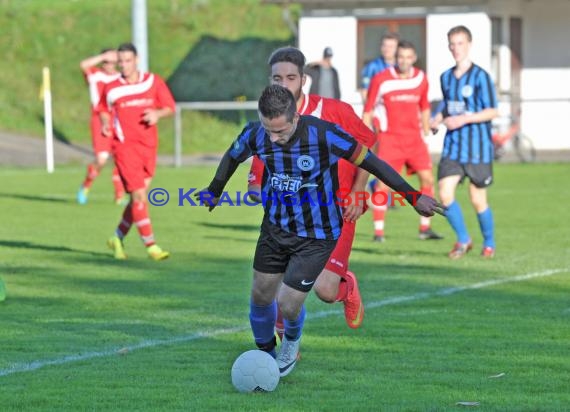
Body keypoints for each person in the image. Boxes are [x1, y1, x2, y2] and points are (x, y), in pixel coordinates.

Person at [196, 84, 445, 377]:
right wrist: (214, 190)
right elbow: (233, 156)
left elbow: (372, 162)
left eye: (280, 132)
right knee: (261, 296)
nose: (273, 139)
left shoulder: (323, 133)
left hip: (317, 235)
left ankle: (290, 343)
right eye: (268, 130)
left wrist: (413, 196)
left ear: (296, 118)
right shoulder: (256, 133)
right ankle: (265, 356)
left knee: (287, 305)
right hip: (275, 229)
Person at [248, 46, 376, 331]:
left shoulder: (334, 111)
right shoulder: (269, 117)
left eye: (290, 77)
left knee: (325, 291)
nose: (283, 84)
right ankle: (286, 349)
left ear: (303, 79)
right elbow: (260, 161)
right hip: (290, 218)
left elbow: (368, 145)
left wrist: (358, 190)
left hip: (338, 210)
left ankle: (346, 285)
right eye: (276, 79)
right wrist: (257, 187)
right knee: (279, 287)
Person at [98, 42, 175, 261]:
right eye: (120, 61)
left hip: (148, 147)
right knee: (140, 196)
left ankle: (116, 237)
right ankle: (151, 246)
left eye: (127, 60)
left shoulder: (153, 81)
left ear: (136, 60)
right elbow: (102, 109)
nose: (123, 65)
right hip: (124, 147)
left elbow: (170, 106)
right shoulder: (111, 87)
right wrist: (105, 123)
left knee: (137, 200)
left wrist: (157, 114)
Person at [363, 40, 443, 243]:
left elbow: (424, 106)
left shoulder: (421, 79)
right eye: (400, 57)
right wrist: (363, 135)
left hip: (415, 140)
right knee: (383, 186)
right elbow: (369, 109)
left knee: (428, 180)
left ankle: (425, 228)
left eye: (408, 57)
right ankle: (378, 232)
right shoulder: (380, 79)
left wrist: (427, 129)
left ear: (414, 58)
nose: (404, 61)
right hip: (390, 140)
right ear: (395, 58)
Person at [430, 26, 498, 259]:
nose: (455, 48)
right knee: (445, 193)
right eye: (452, 44)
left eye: (460, 43)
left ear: (469, 44)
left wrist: (463, 119)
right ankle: (463, 239)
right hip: (453, 148)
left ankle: (489, 243)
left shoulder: (481, 77)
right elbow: (448, 104)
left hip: (478, 150)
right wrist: (437, 119)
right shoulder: (446, 77)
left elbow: (492, 111)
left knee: (478, 200)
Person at [76, 49, 125, 205]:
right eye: (107, 61)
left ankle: (119, 195)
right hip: (99, 119)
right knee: (101, 160)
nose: (110, 65)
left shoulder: (121, 78)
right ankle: (85, 186)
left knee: (121, 158)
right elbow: (83, 64)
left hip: (118, 119)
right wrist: (103, 56)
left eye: (113, 61)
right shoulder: (95, 75)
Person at [360, 32, 399, 102]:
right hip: (378, 110)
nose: (387, 49)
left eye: (391, 46)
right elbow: (364, 90)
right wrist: (369, 110)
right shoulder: (372, 66)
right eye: (384, 45)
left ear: (397, 49)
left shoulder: (400, 67)